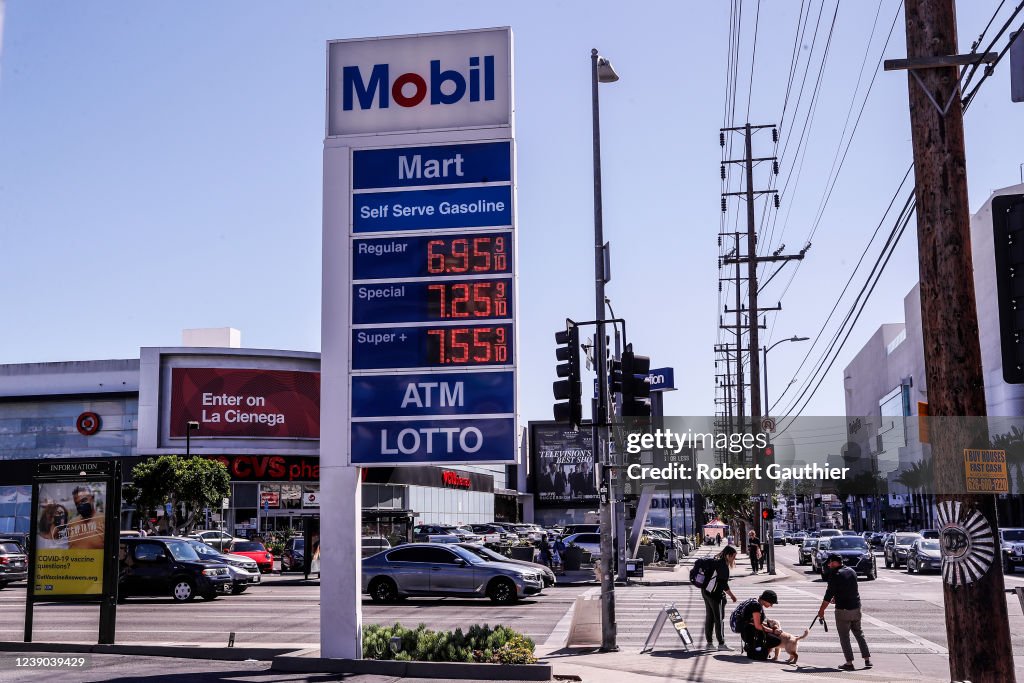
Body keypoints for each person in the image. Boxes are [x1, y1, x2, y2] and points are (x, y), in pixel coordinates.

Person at [817, 553, 872, 671]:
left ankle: (849, 662)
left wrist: (821, 611)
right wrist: (837, 597)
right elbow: (850, 589)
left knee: (844, 637)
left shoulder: (834, 574)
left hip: (843, 610)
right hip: (856, 607)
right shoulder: (851, 571)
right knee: (859, 633)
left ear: (835, 562)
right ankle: (867, 659)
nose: (828, 564)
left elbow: (828, 596)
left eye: (830, 562)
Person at [702, 545, 738, 650]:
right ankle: (721, 644)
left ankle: (709, 644)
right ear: (728, 555)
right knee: (719, 619)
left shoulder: (715, 560)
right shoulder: (723, 566)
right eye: (733, 557)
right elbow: (723, 584)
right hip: (715, 595)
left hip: (705, 591)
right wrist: (732, 596)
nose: (734, 559)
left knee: (709, 617)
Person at [740, 590, 782, 658]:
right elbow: (758, 626)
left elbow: (758, 622)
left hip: (750, 631)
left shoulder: (757, 603)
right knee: (776, 640)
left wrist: (771, 628)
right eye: (771, 603)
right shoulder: (756, 606)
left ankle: (758, 649)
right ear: (765, 600)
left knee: (773, 636)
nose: (771, 605)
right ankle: (756, 650)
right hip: (749, 634)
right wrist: (773, 631)